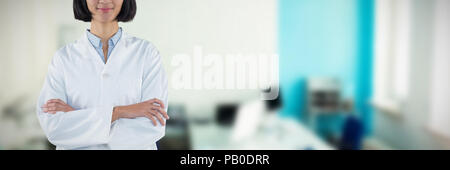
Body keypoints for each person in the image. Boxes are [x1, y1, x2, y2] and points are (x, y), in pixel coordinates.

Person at [36, 0, 169, 150]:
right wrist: (119, 112)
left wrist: (77, 118)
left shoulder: (147, 53)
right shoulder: (63, 58)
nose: (105, 0)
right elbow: (55, 129)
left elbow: (152, 127)